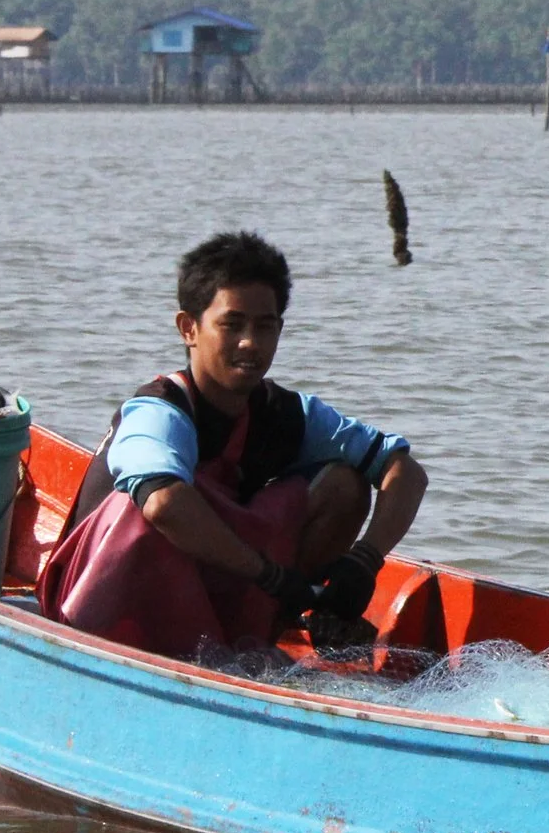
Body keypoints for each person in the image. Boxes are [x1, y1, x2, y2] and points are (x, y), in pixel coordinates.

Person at [37, 231, 429, 665]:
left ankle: (252, 639)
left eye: (265, 326)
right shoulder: (157, 411)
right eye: (232, 324)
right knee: (146, 506)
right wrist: (268, 574)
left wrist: (365, 561)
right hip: (97, 608)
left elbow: (405, 472)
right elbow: (164, 504)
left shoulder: (287, 413)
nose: (250, 343)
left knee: (345, 484)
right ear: (189, 328)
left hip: (214, 588)